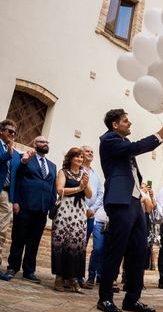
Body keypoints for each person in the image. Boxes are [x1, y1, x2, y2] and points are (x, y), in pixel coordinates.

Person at [96, 109, 163, 312]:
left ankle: (132, 298)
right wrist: (162, 131)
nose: (129, 124)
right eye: (125, 121)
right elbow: (137, 147)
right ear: (115, 124)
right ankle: (105, 298)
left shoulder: (121, 143)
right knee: (116, 249)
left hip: (134, 202)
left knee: (139, 249)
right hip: (120, 200)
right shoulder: (109, 139)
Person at [6, 136, 56, 283]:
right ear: (34, 144)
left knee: (34, 241)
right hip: (24, 205)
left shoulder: (52, 165)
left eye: (47, 142)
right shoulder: (26, 158)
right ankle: (12, 267)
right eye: (42, 142)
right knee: (18, 238)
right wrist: (15, 201)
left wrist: (52, 206)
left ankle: (29, 270)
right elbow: (18, 178)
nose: (45, 144)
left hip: (42, 208)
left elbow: (52, 188)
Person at [52, 147, 93, 292]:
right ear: (70, 158)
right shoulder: (63, 172)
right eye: (77, 157)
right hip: (65, 209)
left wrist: (85, 184)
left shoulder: (84, 174)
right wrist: (78, 188)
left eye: (81, 157)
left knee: (77, 244)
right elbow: (59, 190)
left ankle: (73, 278)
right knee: (62, 241)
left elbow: (89, 194)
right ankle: (59, 277)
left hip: (79, 212)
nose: (80, 159)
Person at [78, 145, 103, 289]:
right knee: (74, 246)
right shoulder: (77, 170)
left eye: (92, 152)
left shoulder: (95, 175)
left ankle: (80, 277)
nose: (90, 153)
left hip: (90, 216)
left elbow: (100, 194)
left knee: (83, 246)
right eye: (87, 151)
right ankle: (71, 275)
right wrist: (85, 208)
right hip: (76, 212)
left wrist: (93, 209)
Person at [0, 119, 21, 281]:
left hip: (7, 194)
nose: (12, 135)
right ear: (1, 131)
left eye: (14, 132)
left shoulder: (11, 150)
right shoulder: (7, 150)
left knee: (2, 231)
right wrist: (9, 153)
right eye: (10, 132)